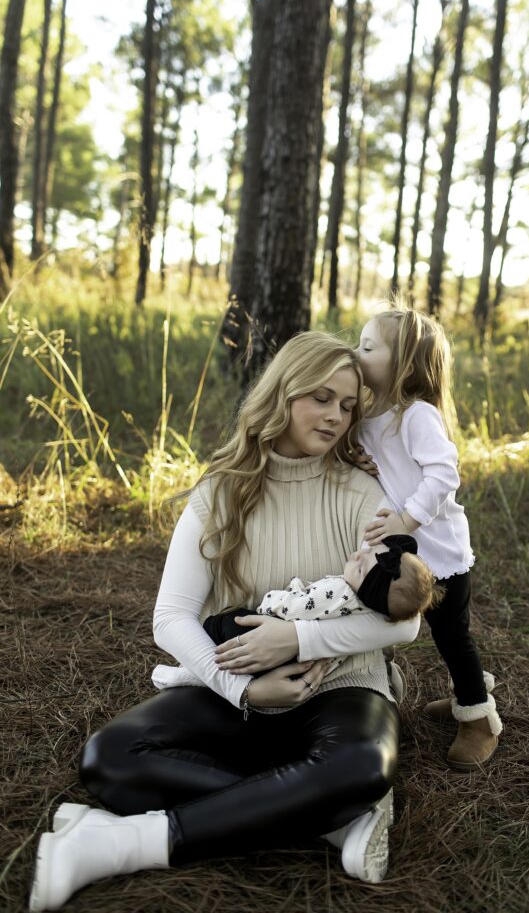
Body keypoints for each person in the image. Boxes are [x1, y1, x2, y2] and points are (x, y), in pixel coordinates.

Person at [30, 332, 421, 912]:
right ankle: (329, 822)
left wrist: (299, 636)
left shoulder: (364, 495)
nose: (336, 416)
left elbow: (404, 625)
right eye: (321, 398)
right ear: (284, 393)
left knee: (362, 765)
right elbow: (171, 617)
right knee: (110, 757)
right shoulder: (220, 491)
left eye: (347, 405)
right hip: (234, 678)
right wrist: (241, 687)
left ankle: (112, 844)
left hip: (342, 684)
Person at [355, 306, 503, 770]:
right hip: (400, 553)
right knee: (380, 619)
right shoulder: (367, 414)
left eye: (367, 347)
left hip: (439, 552)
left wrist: (406, 520)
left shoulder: (415, 415)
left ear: (401, 365)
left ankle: (479, 717)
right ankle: (461, 689)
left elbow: (443, 476)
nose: (354, 353)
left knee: (451, 634)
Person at [152, 534, 436, 692]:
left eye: (361, 568)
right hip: (302, 664)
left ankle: (196, 674)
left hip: (276, 638)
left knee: (220, 625)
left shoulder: (338, 592)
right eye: (368, 552)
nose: (358, 556)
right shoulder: (368, 608)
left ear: (367, 590)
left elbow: (293, 607)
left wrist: (277, 599)